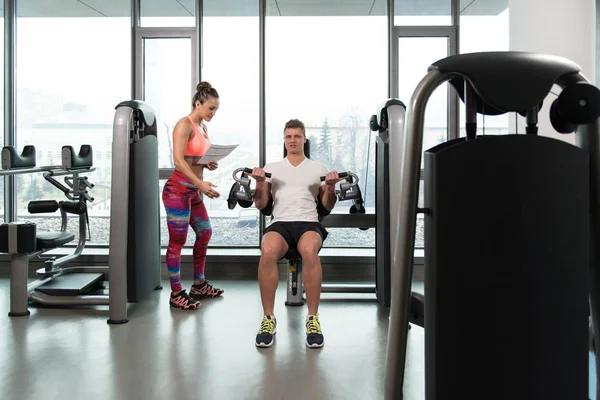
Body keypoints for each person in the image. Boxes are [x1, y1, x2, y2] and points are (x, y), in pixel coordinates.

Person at [249, 119, 341, 348]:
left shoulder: (318, 168)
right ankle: (268, 318)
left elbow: (327, 206)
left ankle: (312, 319)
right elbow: (261, 205)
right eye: (289, 136)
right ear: (284, 139)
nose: (292, 140)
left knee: (309, 251)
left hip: (308, 222)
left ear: (304, 139)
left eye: (297, 136)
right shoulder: (272, 167)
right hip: (280, 223)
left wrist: (330, 187)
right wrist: (260, 184)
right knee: (268, 250)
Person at [162, 81, 225, 310]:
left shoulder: (203, 128)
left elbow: (193, 158)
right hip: (177, 191)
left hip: (192, 190)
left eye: (216, 109)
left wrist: (206, 164)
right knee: (177, 242)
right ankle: (176, 293)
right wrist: (201, 183)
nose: (213, 113)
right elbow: (178, 161)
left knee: (205, 231)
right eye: (210, 108)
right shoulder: (183, 125)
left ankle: (199, 284)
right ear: (197, 104)